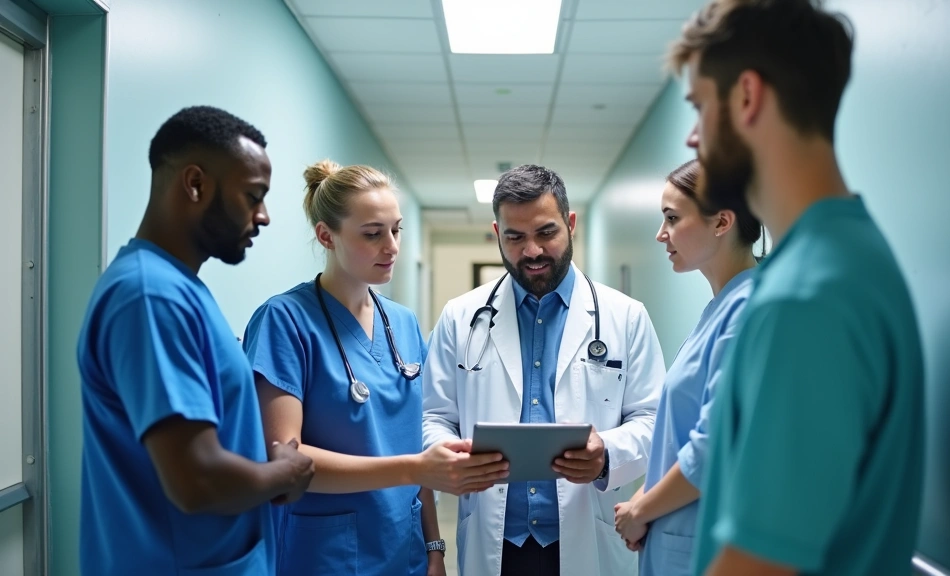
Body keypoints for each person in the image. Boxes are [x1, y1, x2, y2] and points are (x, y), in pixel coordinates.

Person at [668, 1, 927, 575]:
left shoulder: (806, 297)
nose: (692, 138)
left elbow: (758, 563)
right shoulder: (851, 253)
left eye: (699, 107)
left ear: (747, 97)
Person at [77, 105, 315, 575]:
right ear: (195, 184)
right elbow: (197, 480)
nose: (264, 216)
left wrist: (261, 461)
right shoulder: (150, 296)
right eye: (253, 196)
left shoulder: (181, 289)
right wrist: (284, 472)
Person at [242, 160, 509, 576]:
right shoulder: (285, 321)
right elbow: (284, 459)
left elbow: (418, 443)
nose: (392, 247)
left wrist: (434, 547)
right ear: (326, 236)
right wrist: (413, 468)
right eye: (372, 234)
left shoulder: (402, 323)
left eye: (396, 230)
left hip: (406, 550)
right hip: (324, 556)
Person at [422, 164, 666, 576]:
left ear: (571, 224)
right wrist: (454, 455)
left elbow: (653, 418)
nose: (532, 250)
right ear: (497, 234)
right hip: (496, 541)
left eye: (546, 232)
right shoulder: (460, 317)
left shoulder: (626, 317)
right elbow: (434, 415)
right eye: (515, 237)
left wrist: (607, 453)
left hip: (587, 537)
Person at [612, 159, 762, 575]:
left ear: (722, 222)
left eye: (673, 218)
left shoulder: (747, 312)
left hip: (703, 546)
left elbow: (713, 447)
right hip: (678, 535)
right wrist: (644, 495)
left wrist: (642, 508)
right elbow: (681, 437)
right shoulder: (721, 308)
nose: (661, 234)